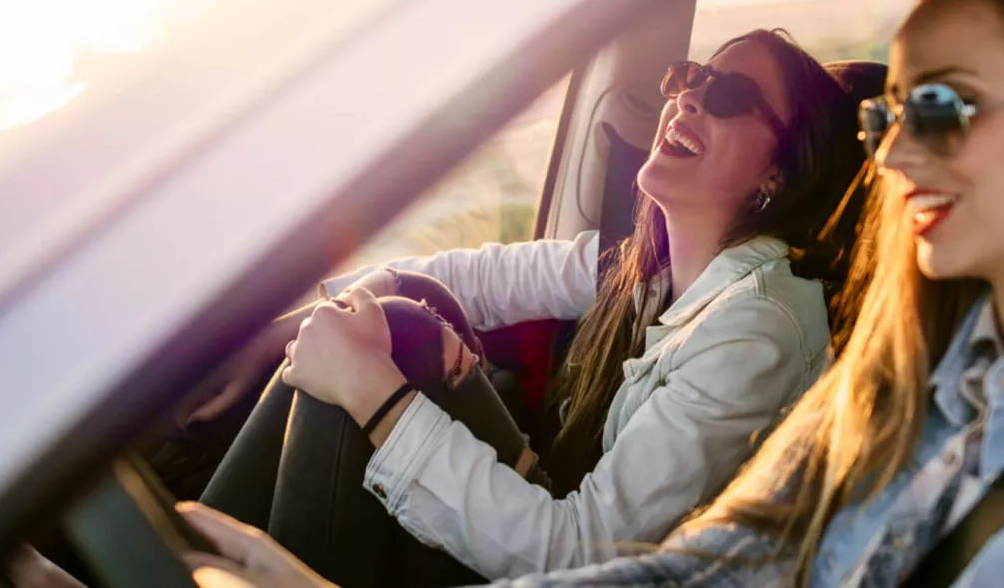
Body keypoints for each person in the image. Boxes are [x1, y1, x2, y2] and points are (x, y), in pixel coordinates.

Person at [171, 0, 1004, 588]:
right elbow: (694, 570)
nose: (895, 156)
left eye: (942, 105)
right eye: (889, 113)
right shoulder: (903, 380)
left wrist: (383, 415)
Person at [191, 29, 872, 584]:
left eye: (727, 94)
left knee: (386, 342)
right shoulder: (647, 267)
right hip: (552, 540)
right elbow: (475, 277)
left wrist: (374, 392)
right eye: (690, 78)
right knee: (394, 319)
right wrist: (281, 331)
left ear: (779, 170)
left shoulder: (761, 330)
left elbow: (584, 556)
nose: (689, 100)